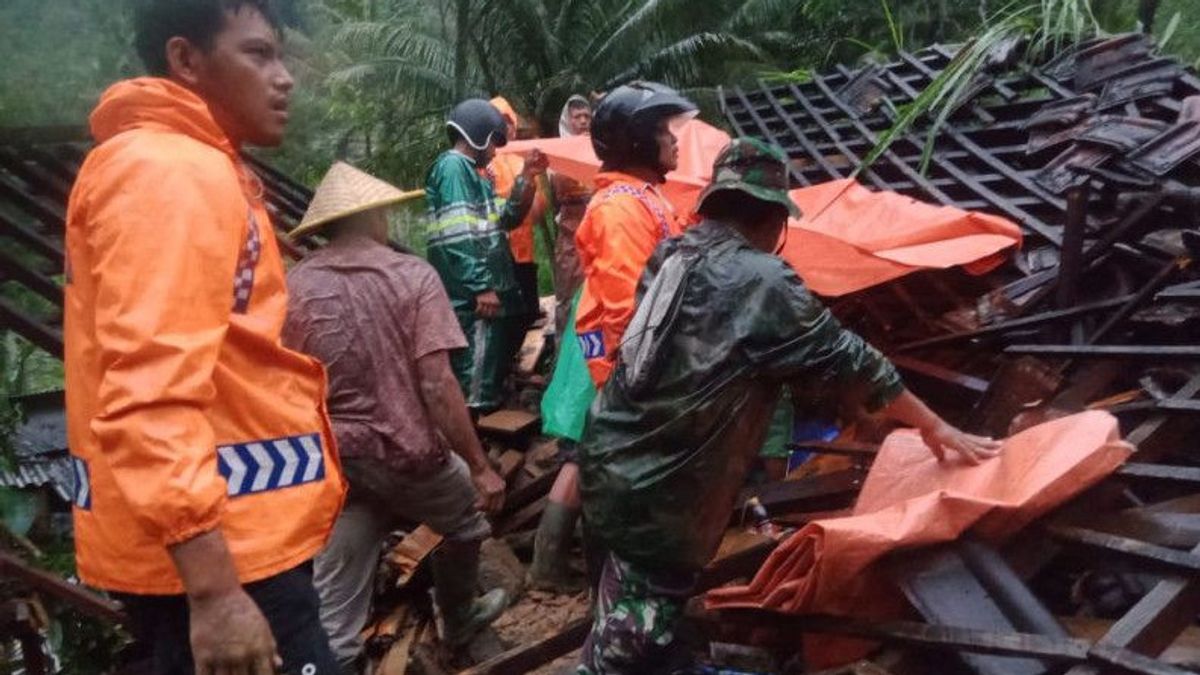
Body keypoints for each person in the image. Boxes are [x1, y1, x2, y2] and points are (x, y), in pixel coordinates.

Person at [574, 138, 1002, 674]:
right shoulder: (761, 279)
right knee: (623, 651)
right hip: (661, 495)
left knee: (634, 618)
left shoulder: (673, 255)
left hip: (610, 461)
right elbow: (854, 362)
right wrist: (940, 429)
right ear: (776, 218)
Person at [63, 1, 346, 672]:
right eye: (258, 54)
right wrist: (216, 590)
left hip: (214, 547)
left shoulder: (175, 164)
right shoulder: (171, 174)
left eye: (281, 56)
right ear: (186, 60)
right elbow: (149, 393)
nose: (284, 78)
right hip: (224, 556)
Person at [282, 163, 510, 670]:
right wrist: (479, 466)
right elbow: (436, 382)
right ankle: (459, 618)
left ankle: (333, 658)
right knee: (467, 521)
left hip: (336, 460)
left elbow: (281, 385)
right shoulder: (412, 277)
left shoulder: (294, 285)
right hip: (410, 455)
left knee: (337, 596)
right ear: (375, 216)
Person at [527, 82, 696, 590]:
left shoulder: (646, 200)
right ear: (639, 140)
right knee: (609, 473)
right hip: (630, 369)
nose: (676, 142)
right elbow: (627, 305)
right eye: (666, 131)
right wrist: (643, 384)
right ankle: (605, 595)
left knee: (600, 462)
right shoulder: (622, 207)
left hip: (632, 366)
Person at [424, 98, 546, 414]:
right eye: (493, 142)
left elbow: (504, 218)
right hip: (471, 297)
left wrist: (527, 177)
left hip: (480, 291)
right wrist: (481, 286)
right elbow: (458, 237)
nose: (494, 152)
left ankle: (482, 432)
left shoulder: (473, 175)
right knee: (473, 376)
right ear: (478, 133)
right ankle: (474, 440)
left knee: (483, 369)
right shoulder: (453, 168)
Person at [487, 96, 546, 342]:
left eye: (508, 121)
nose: (505, 126)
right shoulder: (484, 160)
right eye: (498, 121)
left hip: (525, 250)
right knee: (506, 316)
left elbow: (539, 205)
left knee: (528, 312)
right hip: (498, 253)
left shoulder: (524, 158)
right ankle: (509, 368)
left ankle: (516, 364)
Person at [549, 95, 595, 336]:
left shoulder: (601, 149)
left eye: (587, 116)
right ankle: (564, 355)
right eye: (577, 117)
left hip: (599, 231)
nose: (583, 121)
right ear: (568, 121)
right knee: (569, 295)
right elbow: (554, 198)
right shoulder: (556, 155)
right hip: (570, 236)